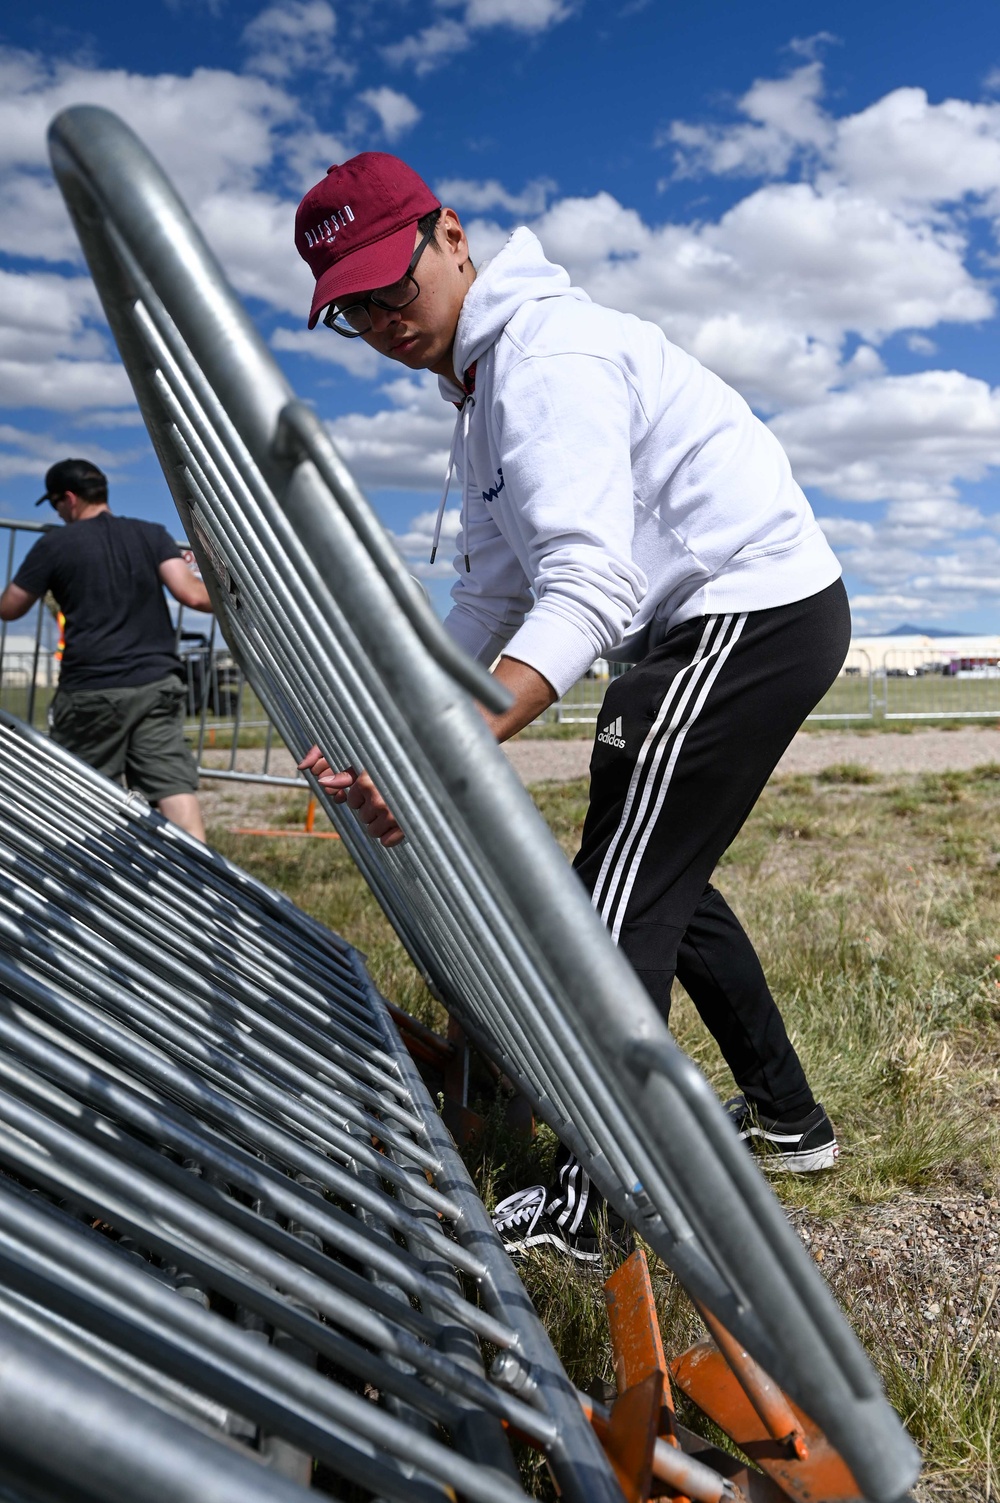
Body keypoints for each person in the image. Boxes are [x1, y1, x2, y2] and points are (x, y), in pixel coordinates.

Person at [294, 155, 850, 1258]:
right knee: (656, 879)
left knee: (608, 913)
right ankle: (789, 1121)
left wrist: (435, 751)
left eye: (390, 288)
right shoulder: (483, 392)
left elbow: (587, 588)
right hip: (716, 622)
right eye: (352, 312)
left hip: (744, 614)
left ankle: (596, 1206)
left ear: (452, 236)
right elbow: (491, 594)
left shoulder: (545, 360)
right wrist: (401, 723)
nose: (382, 322)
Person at [0, 459, 211, 842]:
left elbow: (10, 608)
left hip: (91, 690)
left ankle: (87, 884)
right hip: (157, 683)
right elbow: (193, 595)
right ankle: (207, 884)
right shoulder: (152, 534)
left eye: (55, 504)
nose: (58, 513)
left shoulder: (54, 544)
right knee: (173, 786)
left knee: (80, 791)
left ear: (68, 499)